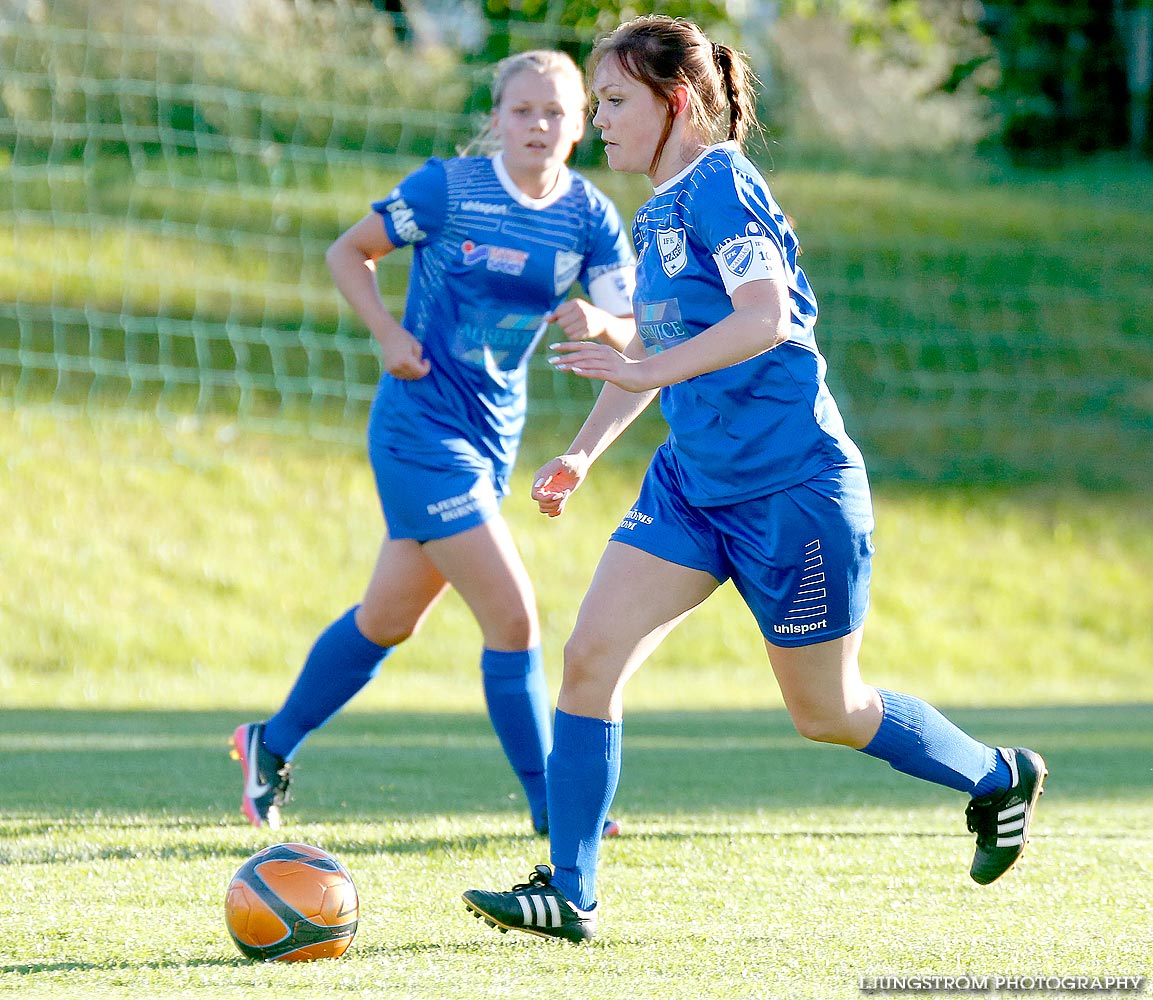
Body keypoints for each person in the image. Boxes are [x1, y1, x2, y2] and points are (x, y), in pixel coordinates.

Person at [462, 15, 1047, 944]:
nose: (598, 121)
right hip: (693, 487)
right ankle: (567, 890)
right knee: (588, 657)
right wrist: (583, 449)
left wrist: (645, 370)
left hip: (791, 492)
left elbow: (764, 317)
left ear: (677, 102)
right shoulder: (657, 211)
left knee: (827, 711)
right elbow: (658, 345)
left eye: (614, 101)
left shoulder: (720, 186)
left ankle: (993, 776)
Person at [230, 49, 637, 837]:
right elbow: (348, 251)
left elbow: (636, 327)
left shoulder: (588, 217)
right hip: (418, 431)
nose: (538, 126)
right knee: (513, 618)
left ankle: (268, 745)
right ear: (496, 118)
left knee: (387, 620)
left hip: (493, 438)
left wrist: (603, 323)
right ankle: (553, 805)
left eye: (556, 113)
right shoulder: (448, 190)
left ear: (581, 125)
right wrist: (385, 332)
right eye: (522, 111)